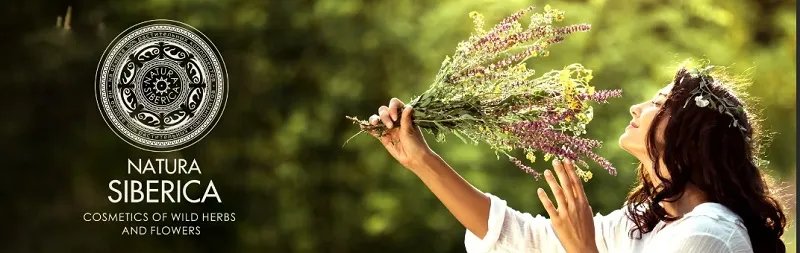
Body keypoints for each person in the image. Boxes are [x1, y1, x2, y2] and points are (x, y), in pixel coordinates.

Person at [362, 64, 787, 253]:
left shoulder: (708, 236)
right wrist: (422, 161)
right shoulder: (644, 223)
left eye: (658, 102)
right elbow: (520, 239)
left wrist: (582, 248)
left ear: (691, 135)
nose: (636, 108)